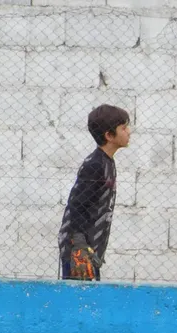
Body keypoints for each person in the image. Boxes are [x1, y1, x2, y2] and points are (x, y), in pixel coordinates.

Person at [58, 104, 130, 281]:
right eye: (123, 128)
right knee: (79, 297)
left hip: (90, 250)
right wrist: (79, 245)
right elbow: (77, 205)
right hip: (79, 252)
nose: (129, 132)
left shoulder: (107, 162)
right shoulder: (95, 165)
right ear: (109, 135)